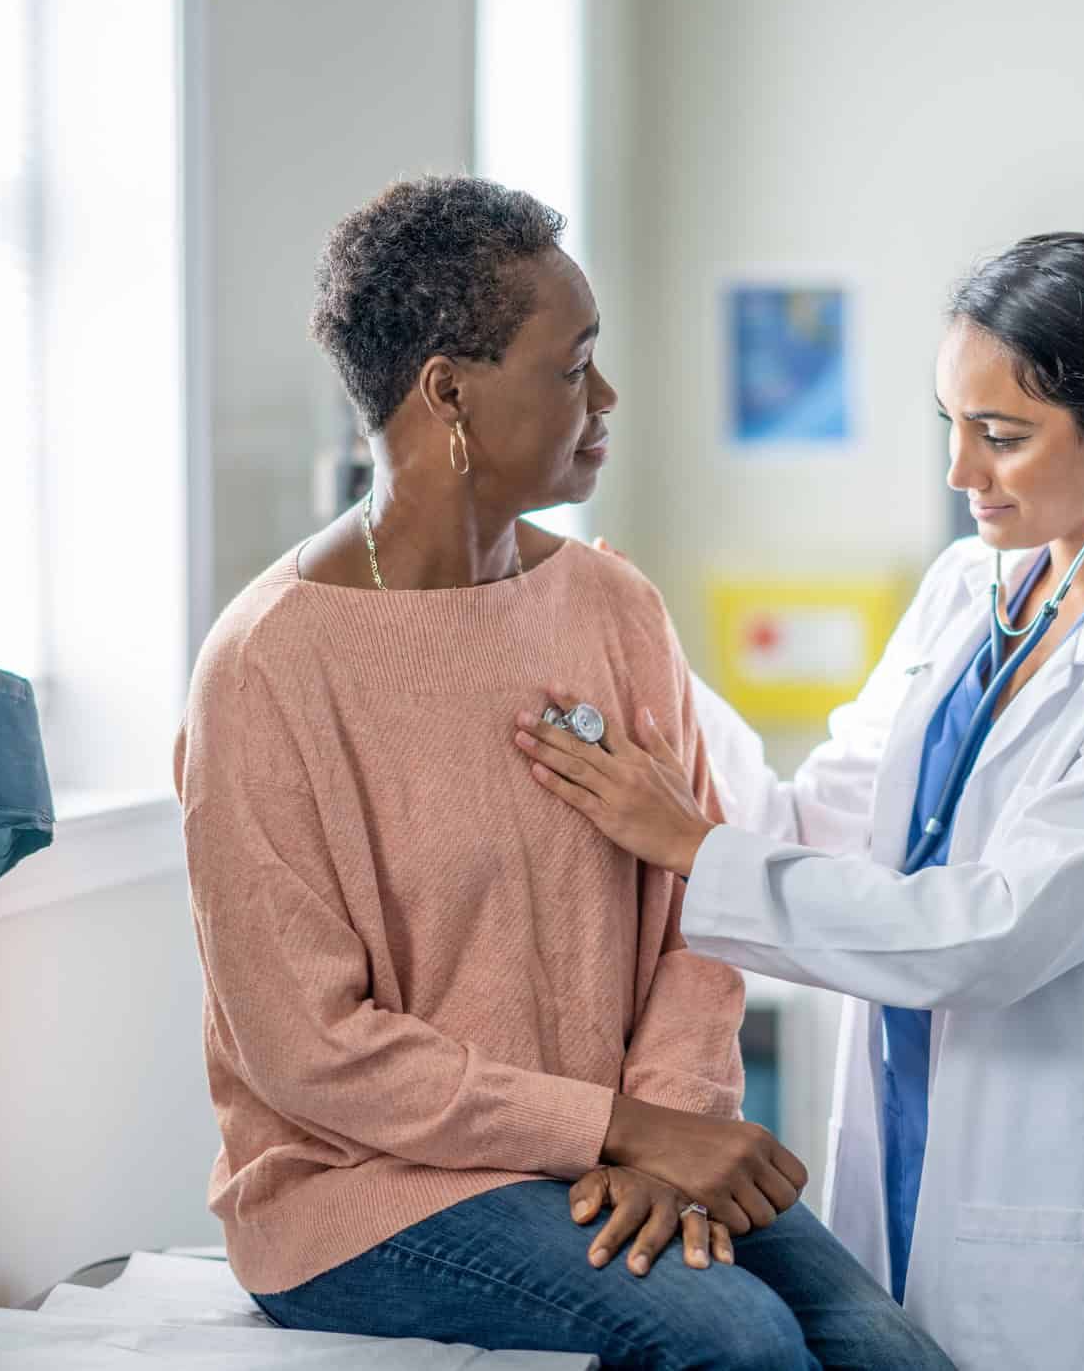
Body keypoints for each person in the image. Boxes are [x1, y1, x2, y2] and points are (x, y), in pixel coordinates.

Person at [175, 175, 951, 1370]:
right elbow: (310, 1051)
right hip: (369, 1189)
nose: (606, 397)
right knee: (733, 1340)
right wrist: (616, 1129)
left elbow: (694, 913)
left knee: (887, 1351)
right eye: (571, 364)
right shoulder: (267, 668)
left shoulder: (612, 606)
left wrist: (669, 1128)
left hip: (618, 1150)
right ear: (448, 391)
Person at [513, 233, 1084, 1369]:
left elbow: (998, 929)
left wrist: (685, 841)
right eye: (953, 426)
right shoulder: (963, 592)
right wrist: (651, 661)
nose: (961, 475)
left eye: (1003, 436)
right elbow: (812, 827)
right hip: (913, 1160)